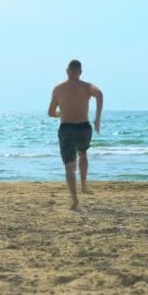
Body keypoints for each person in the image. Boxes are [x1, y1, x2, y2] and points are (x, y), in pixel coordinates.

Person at [48, 59, 103, 211]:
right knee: (83, 154)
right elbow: (99, 95)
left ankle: (74, 199)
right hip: (84, 127)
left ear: (67, 71)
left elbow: (51, 112)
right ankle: (84, 186)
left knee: (69, 167)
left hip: (67, 128)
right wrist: (98, 119)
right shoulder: (86, 87)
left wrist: (61, 113)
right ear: (80, 72)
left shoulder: (58, 89)